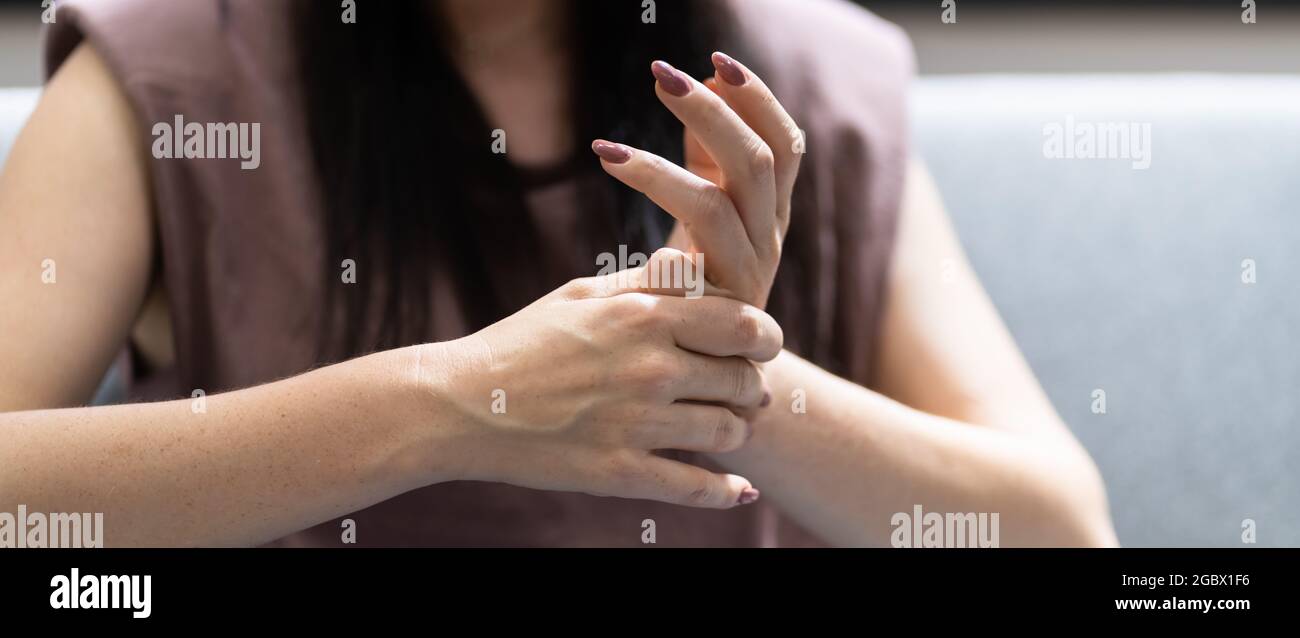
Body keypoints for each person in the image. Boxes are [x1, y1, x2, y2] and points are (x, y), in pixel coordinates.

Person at [0, 0, 1118, 547]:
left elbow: (1060, 531)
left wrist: (712, 378)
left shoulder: (797, 83)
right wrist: (450, 403)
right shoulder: (168, 77)